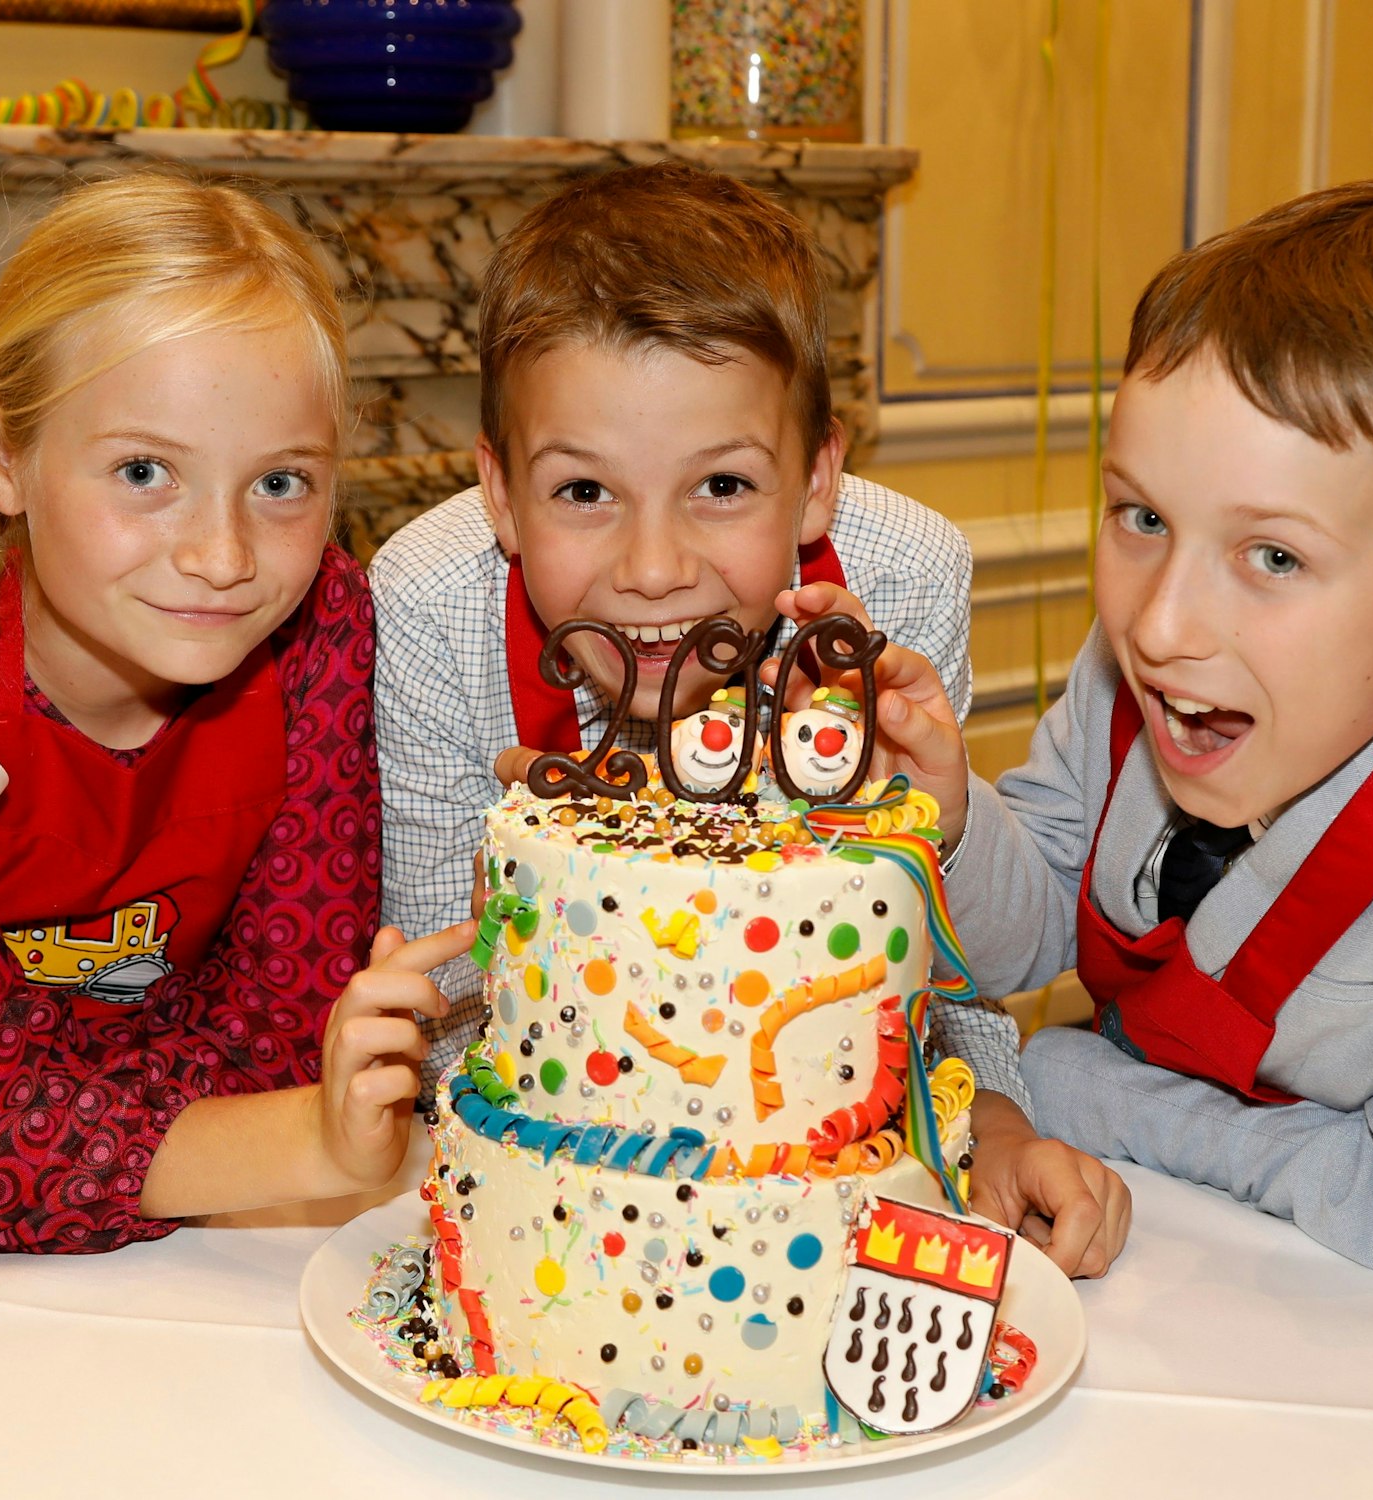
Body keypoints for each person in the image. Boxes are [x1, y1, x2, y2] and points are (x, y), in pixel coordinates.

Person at [845, 180, 1373, 1276]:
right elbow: (1036, 927)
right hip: (1164, 1251)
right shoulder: (1150, 675)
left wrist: (1071, 1085)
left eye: (1274, 557)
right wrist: (950, 821)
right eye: (1141, 519)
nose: (1158, 624)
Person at [370, 160, 1131, 1276]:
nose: (652, 568)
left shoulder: (901, 578)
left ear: (817, 480)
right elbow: (446, 1010)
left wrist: (990, 1130)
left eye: (720, 486)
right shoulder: (432, 605)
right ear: (498, 494)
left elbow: (911, 951)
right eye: (583, 492)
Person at [0, 174, 469, 1252]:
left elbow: (288, 1026)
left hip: (160, 1174)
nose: (223, 556)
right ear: (2, 452)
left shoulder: (320, 628)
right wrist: (308, 1141)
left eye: (282, 483)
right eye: (145, 470)